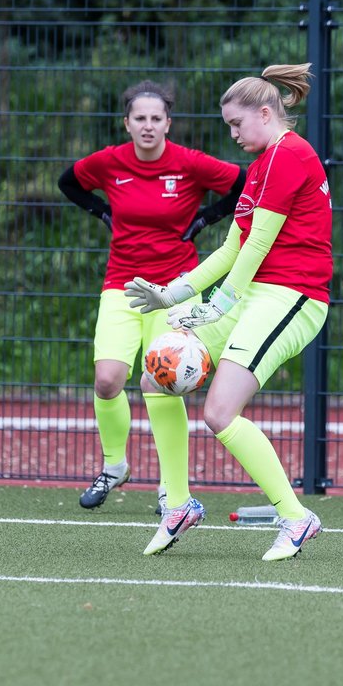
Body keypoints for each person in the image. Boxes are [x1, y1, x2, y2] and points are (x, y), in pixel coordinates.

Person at [124, 62, 332, 561]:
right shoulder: (262, 164)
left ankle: (296, 517)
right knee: (157, 376)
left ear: (265, 113)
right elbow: (230, 249)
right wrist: (172, 294)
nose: (233, 134)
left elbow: (260, 241)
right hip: (255, 291)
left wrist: (221, 303)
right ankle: (178, 505)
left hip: (292, 297)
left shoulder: (290, 154)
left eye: (237, 125)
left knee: (219, 411)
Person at [59, 80, 245, 514]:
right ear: (127, 123)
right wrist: (102, 212)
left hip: (174, 289)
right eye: (139, 118)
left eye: (156, 118)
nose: (147, 126)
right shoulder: (110, 163)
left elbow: (241, 185)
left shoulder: (189, 163)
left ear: (168, 123)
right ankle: (114, 466)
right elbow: (69, 183)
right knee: (107, 379)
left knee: (162, 386)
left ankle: (171, 490)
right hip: (121, 284)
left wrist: (204, 220)